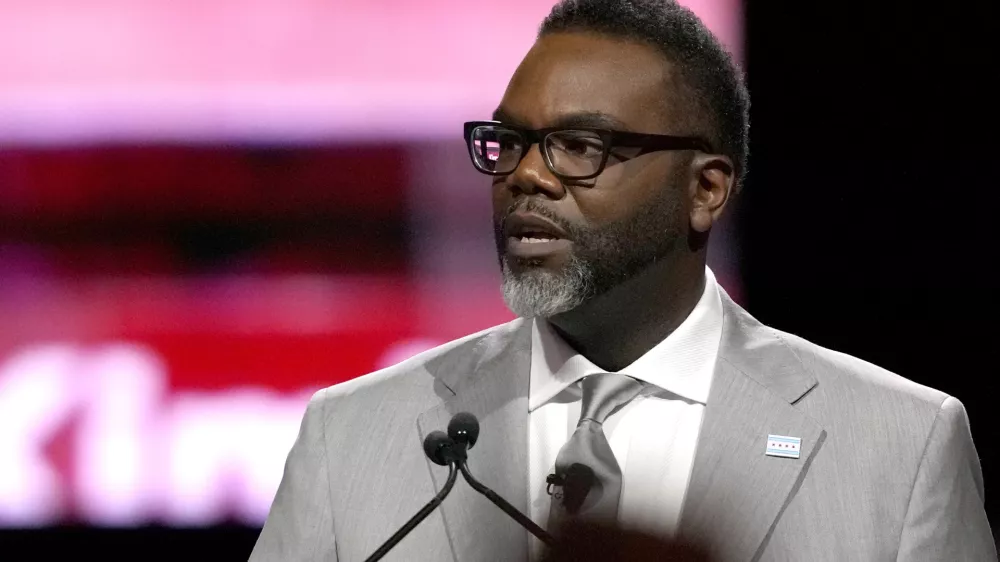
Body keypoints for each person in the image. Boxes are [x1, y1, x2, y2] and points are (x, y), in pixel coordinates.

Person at [249, 1, 996, 560]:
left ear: (706, 189)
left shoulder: (901, 447)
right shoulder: (350, 436)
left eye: (580, 146)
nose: (527, 176)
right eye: (508, 141)